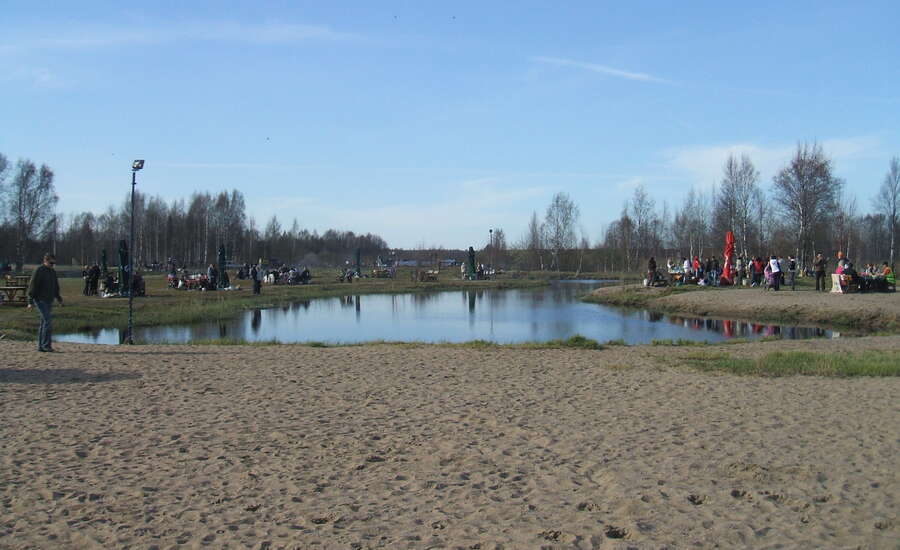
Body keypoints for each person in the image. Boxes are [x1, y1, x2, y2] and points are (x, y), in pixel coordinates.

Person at [27, 253, 64, 352]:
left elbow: (55, 286)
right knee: (48, 321)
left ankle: (40, 346)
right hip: (39, 299)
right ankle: (46, 345)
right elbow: (32, 285)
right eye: (51, 263)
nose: (52, 265)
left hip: (49, 300)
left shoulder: (52, 272)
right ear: (45, 261)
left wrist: (59, 298)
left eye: (54, 263)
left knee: (44, 322)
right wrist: (30, 301)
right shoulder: (39, 270)